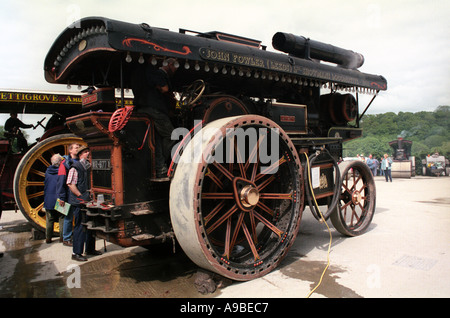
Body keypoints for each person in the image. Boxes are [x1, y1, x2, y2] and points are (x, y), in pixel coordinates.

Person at [131, 58, 179, 178]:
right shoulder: (154, 71)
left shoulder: (137, 73)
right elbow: (165, 89)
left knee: (156, 139)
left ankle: (159, 166)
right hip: (153, 109)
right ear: (170, 64)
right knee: (172, 135)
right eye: (175, 66)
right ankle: (163, 163)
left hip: (142, 108)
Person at [66, 145, 101, 261]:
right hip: (79, 201)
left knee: (90, 225)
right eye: (86, 152)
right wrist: (81, 196)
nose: (88, 154)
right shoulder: (75, 167)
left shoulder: (88, 167)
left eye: (88, 152)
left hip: (88, 200)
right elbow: (71, 184)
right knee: (80, 226)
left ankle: (90, 249)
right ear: (80, 155)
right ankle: (76, 253)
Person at [57, 142, 80, 246]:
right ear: (70, 150)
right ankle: (66, 238)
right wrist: (61, 197)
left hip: (78, 192)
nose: (77, 149)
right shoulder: (65, 163)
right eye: (75, 148)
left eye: (78, 147)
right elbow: (61, 181)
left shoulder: (80, 161)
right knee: (68, 217)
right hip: (68, 194)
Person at [44, 154, 65, 243]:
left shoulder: (47, 171)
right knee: (62, 218)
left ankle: (48, 238)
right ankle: (62, 237)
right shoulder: (61, 172)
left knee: (49, 219)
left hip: (48, 198)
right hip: (59, 198)